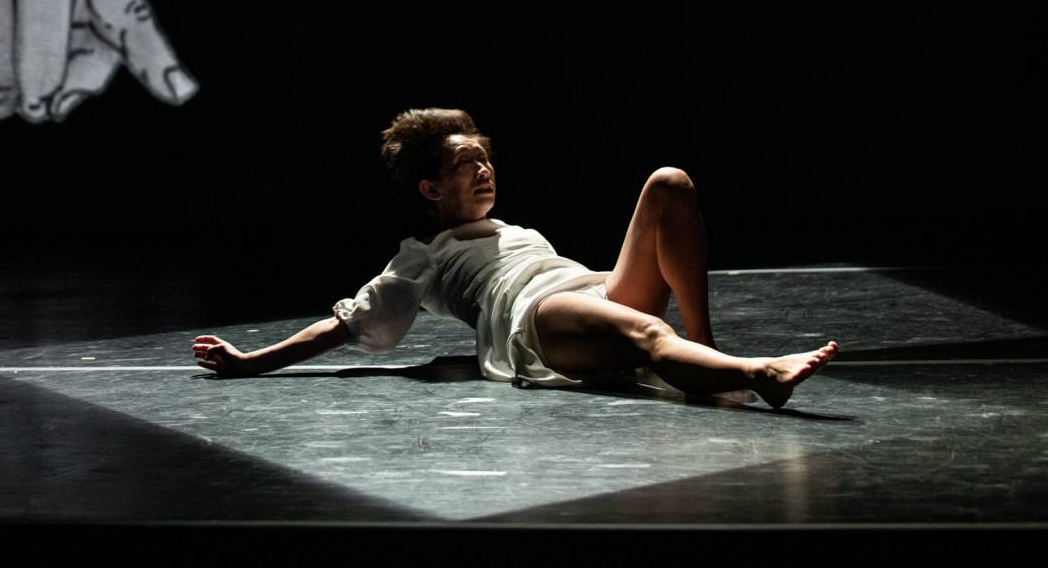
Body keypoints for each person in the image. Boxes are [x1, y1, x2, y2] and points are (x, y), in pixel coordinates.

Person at [193, 108, 837, 409]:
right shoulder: (421, 257)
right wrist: (252, 362)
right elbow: (349, 324)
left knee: (668, 182)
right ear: (431, 189)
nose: (482, 171)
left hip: (592, 289)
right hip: (537, 319)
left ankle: (708, 349)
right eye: (464, 165)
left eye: (485, 160)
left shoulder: (509, 226)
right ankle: (757, 375)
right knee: (646, 333)